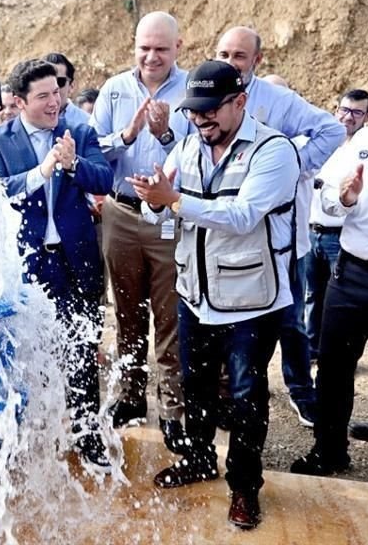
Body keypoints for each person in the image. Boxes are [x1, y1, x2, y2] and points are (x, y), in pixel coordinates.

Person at [129, 60, 300, 530]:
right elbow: (155, 214)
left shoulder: (274, 151)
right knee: (196, 387)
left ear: (240, 102)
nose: (201, 120)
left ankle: (244, 487)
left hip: (251, 301)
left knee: (245, 398)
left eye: (210, 111)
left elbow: (243, 215)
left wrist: (175, 200)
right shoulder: (187, 145)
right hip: (194, 295)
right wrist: (150, 197)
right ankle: (199, 459)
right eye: (194, 112)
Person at [215, 26, 345, 427]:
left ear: (257, 60)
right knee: (221, 317)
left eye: (239, 55)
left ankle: (300, 393)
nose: (230, 62)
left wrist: (293, 168)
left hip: (278, 242)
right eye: (224, 53)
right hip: (222, 233)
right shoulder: (203, 88)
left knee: (288, 322)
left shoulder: (277, 101)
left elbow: (332, 130)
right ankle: (226, 394)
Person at [0, 59, 113, 470]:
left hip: (76, 261)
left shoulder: (77, 131)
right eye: (43, 96)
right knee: (29, 355)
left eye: (56, 92)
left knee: (80, 351)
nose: (54, 101)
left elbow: (104, 179)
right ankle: (28, 437)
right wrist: (41, 172)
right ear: (20, 102)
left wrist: (73, 165)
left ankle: (87, 435)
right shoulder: (1, 142)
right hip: (31, 267)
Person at [88, 11, 190, 451]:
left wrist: (165, 136)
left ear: (178, 48)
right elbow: (94, 154)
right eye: (144, 47)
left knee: (169, 314)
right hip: (121, 214)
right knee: (127, 312)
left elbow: (197, 153)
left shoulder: (191, 90)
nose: (151, 56)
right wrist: (127, 136)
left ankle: (173, 408)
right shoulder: (114, 89)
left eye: (161, 49)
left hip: (167, 217)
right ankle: (131, 396)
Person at [290, 92, 368, 487]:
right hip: (351, 271)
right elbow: (329, 193)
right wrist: (344, 198)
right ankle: (328, 450)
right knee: (335, 365)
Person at [305, 89, 368, 360]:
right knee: (312, 297)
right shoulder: (323, 143)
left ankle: (340, 357)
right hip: (312, 233)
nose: (348, 117)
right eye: (344, 109)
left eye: (357, 112)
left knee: (343, 304)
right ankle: (312, 350)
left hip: (342, 236)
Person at [42, 52, 89, 125]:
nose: (52, 87)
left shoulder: (86, 123)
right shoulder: (27, 121)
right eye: (45, 82)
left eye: (59, 81)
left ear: (71, 86)